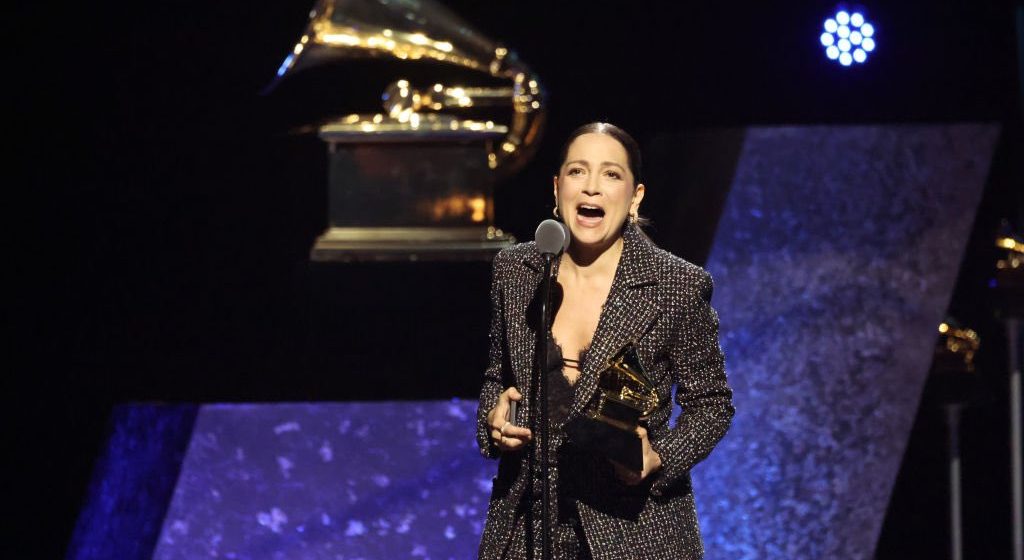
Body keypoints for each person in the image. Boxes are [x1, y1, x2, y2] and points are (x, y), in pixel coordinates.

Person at [476, 122, 734, 559]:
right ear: (557, 190)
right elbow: (496, 377)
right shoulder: (517, 271)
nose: (592, 188)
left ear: (635, 197)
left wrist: (660, 458)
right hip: (525, 531)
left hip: (634, 532)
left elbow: (712, 404)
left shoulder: (677, 285)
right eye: (578, 172)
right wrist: (494, 419)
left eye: (611, 175)